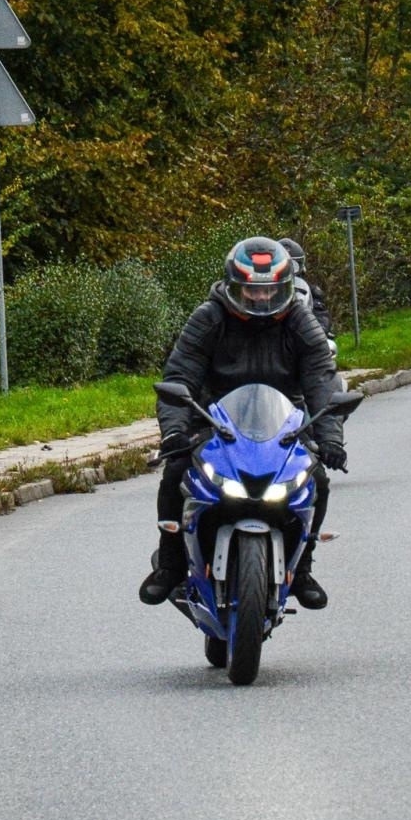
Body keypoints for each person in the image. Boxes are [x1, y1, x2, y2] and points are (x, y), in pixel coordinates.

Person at [139, 237, 345, 611]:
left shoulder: (301, 320)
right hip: (214, 422)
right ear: (235, 285)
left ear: (284, 288)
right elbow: (180, 375)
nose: (260, 299)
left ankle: (301, 569)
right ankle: (169, 564)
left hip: (285, 426)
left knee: (317, 481)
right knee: (176, 472)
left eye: (269, 291)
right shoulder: (209, 317)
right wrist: (174, 430)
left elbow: (321, 379)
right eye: (252, 289)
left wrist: (330, 438)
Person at [279, 237, 334, 335]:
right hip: (274, 338)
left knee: (331, 346)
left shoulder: (311, 291)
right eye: (283, 264)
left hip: (302, 337)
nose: (289, 269)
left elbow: (321, 314)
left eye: (293, 265)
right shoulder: (266, 291)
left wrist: (318, 332)